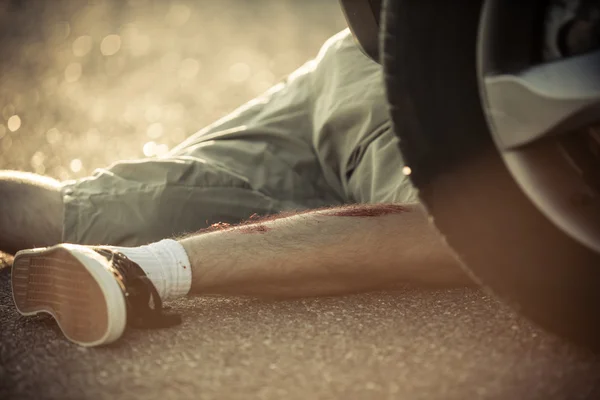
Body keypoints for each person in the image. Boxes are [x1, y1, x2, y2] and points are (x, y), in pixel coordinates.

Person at [3, 29, 472, 347]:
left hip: (356, 50)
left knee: (89, 209)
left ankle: (131, 262)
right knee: (459, 233)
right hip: (430, 77)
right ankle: (139, 270)